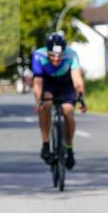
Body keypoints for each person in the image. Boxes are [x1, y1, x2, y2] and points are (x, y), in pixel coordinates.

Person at [32, 32, 87, 169]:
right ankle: (45, 145)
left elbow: (77, 79)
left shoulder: (71, 55)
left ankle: (69, 148)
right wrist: (38, 101)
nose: (56, 59)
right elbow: (38, 82)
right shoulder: (39, 56)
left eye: (59, 56)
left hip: (65, 84)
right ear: (47, 52)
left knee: (68, 111)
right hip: (48, 83)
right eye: (52, 55)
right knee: (46, 104)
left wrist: (81, 97)